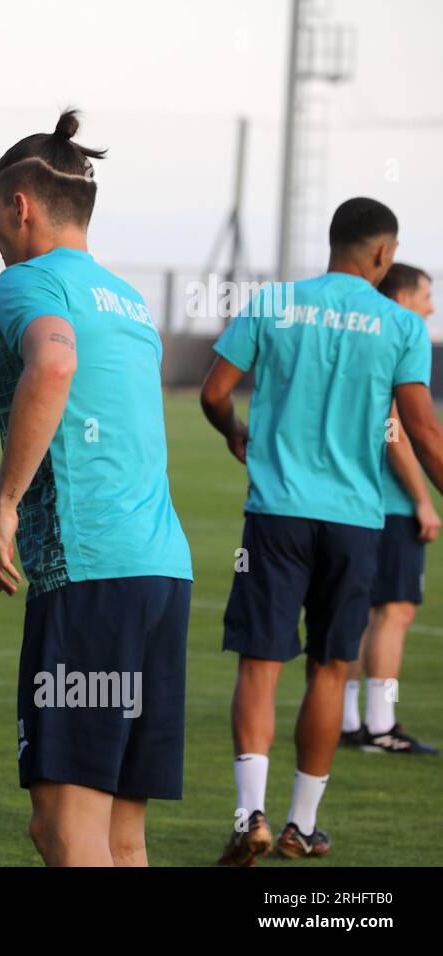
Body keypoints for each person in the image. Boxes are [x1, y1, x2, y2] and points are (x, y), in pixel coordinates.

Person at [0, 110, 193, 866]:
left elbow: (53, 367)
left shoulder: (25, 282)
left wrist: (3, 507)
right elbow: (22, 398)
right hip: (160, 576)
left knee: (63, 831)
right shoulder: (126, 301)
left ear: (22, 207)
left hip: (87, 574)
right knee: (120, 836)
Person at [204, 198, 443, 865]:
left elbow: (213, 392)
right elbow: (422, 431)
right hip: (355, 522)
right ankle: (300, 826)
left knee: (260, 663)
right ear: (381, 255)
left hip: (275, 514)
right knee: (331, 668)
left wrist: (235, 433)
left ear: (333, 242)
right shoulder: (399, 325)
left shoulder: (273, 304)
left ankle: (248, 812)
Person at [341, 262, 439, 755]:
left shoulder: (360, 337)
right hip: (392, 502)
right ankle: (380, 726)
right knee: (394, 611)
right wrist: (423, 498)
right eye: (426, 295)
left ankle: (350, 720)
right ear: (402, 297)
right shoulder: (401, 337)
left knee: (361, 612)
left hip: (356, 498)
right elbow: (395, 426)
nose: (431, 306)